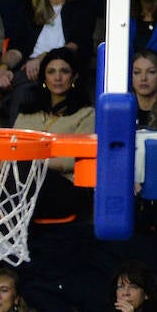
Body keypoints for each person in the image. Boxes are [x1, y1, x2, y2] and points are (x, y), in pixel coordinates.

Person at [12, 48, 94, 218]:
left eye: (64, 71)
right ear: (44, 77)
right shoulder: (27, 112)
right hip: (24, 185)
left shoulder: (86, 114)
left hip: (67, 189)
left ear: (74, 77)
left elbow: (75, 158)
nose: (57, 78)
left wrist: (35, 160)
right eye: (51, 72)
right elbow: (12, 149)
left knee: (24, 170)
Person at [0, 0, 94, 127]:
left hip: (61, 63)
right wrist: (3, 67)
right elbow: (17, 48)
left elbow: (75, 45)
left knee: (22, 90)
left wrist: (43, 59)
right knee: (15, 82)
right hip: (29, 65)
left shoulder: (80, 6)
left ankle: (17, 138)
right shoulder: (30, 8)